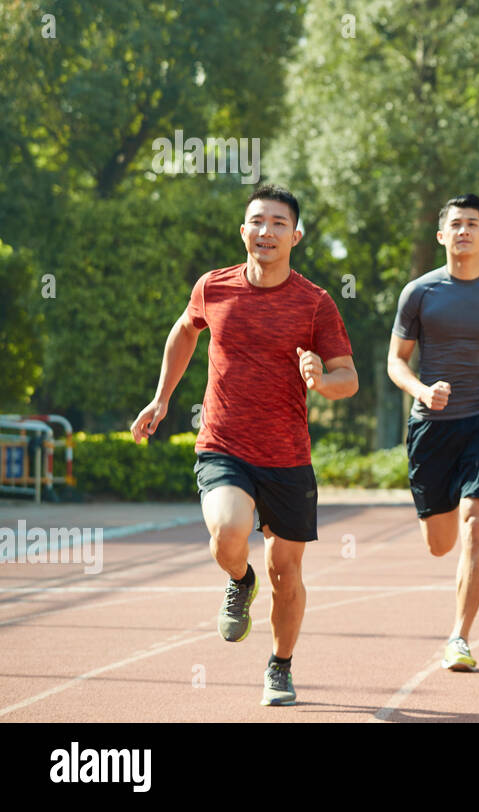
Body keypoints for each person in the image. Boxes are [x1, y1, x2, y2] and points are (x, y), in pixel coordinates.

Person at [130, 185, 357, 706]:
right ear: (243, 231)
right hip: (223, 443)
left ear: (295, 236)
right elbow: (185, 331)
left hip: (288, 456)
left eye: (279, 223)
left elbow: (349, 378)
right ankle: (239, 577)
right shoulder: (214, 287)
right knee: (228, 529)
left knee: (287, 575)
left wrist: (322, 378)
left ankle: (280, 666)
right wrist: (161, 399)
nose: (266, 231)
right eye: (257, 221)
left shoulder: (315, 303)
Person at [387, 194, 479, 672]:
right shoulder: (419, 293)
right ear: (442, 235)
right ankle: (438, 527)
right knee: (440, 542)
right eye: (456, 225)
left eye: (473, 224)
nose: (464, 231)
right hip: (431, 427)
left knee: (476, 523)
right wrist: (422, 391)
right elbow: (395, 362)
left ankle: (460, 638)